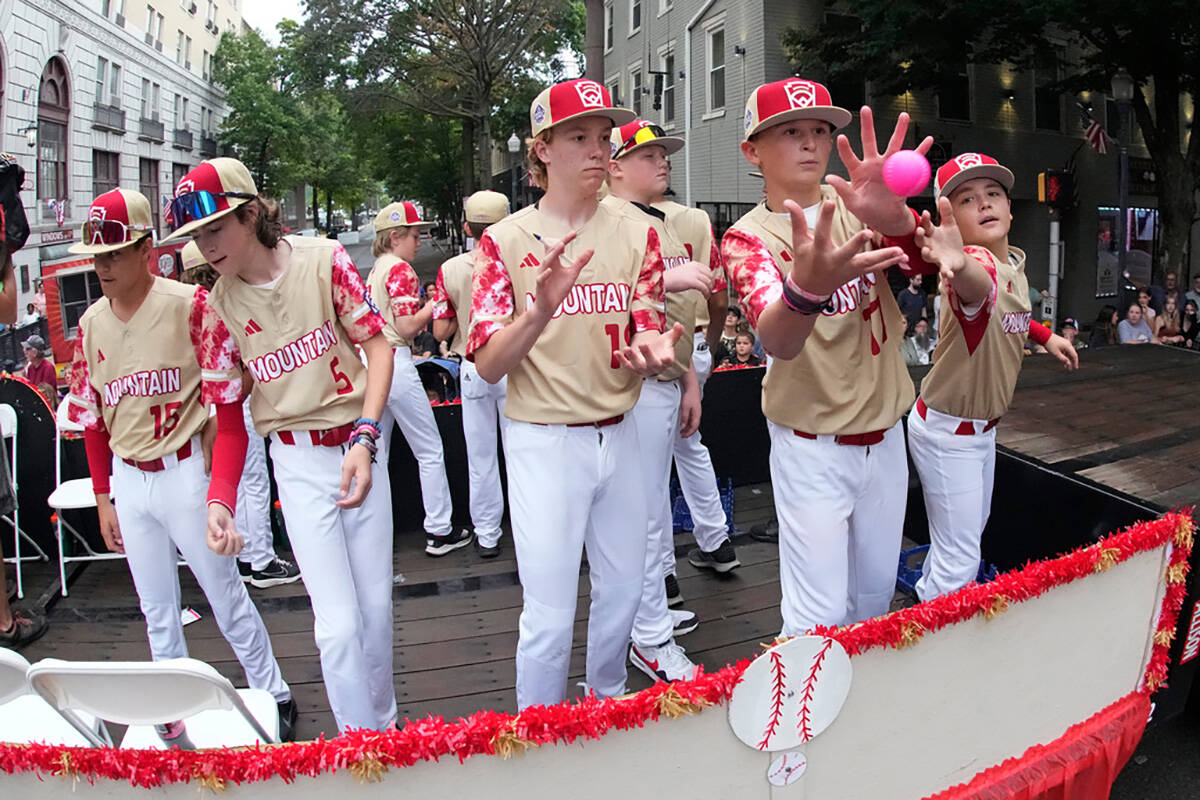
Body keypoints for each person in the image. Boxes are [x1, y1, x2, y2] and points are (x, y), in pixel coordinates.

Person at [467, 78, 683, 708]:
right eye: (579, 137)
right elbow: (486, 365)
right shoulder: (503, 241)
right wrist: (538, 310)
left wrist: (652, 353)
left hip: (621, 429)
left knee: (623, 591)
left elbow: (644, 321)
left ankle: (607, 703)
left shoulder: (637, 231)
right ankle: (538, 732)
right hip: (544, 439)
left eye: (604, 137)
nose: (598, 150)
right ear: (542, 149)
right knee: (551, 611)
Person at [170, 157, 396, 734]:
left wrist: (367, 438)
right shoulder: (215, 308)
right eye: (197, 235)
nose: (206, 245)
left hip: (359, 446)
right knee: (337, 624)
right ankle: (360, 743)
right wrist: (220, 500)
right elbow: (227, 416)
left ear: (250, 214)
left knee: (375, 614)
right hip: (295, 458)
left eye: (215, 227)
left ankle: (388, 732)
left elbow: (379, 347)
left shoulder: (323, 260)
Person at [65, 187, 294, 743]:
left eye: (114, 253)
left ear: (147, 249)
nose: (103, 265)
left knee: (224, 594)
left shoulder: (190, 305)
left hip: (186, 469)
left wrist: (218, 487)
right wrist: (101, 496)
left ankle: (272, 692)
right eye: (96, 255)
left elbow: (226, 400)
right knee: (155, 608)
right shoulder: (91, 322)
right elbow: (91, 419)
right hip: (130, 478)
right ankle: (172, 715)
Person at [723, 78, 933, 637]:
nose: (811, 142)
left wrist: (900, 222)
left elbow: (925, 273)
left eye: (820, 130)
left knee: (871, 603)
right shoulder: (747, 238)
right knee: (816, 618)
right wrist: (808, 289)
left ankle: (861, 719)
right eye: (791, 132)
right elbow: (781, 341)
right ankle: (801, 720)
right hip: (812, 447)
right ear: (753, 150)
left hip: (886, 435)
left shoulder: (856, 202)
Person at [906, 154, 1078, 602]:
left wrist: (1045, 335)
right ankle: (933, 646)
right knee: (960, 557)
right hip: (950, 431)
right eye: (967, 198)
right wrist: (957, 263)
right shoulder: (975, 263)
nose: (984, 203)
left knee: (961, 540)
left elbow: (1009, 309)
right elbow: (978, 286)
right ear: (952, 219)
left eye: (993, 193)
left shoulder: (1012, 262)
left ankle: (925, 597)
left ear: (1011, 207)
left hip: (977, 429)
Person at [603, 117, 710, 683]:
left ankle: (645, 619)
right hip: (632, 388)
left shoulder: (658, 222)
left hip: (666, 381)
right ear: (615, 165)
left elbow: (680, 320)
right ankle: (648, 637)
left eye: (665, 152)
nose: (663, 160)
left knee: (650, 514)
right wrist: (664, 283)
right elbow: (589, 299)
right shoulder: (608, 221)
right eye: (648, 154)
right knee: (640, 519)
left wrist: (689, 379)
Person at [177, 241, 301, 589]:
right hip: (232, 405)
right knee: (254, 482)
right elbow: (243, 371)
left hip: (201, 409)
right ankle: (260, 559)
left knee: (233, 485)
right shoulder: (223, 305)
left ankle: (245, 557)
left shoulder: (182, 308)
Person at [365, 201, 468, 556]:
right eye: (415, 234)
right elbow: (407, 326)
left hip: (373, 364)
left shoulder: (377, 269)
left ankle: (374, 534)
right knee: (430, 449)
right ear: (395, 236)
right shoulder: (400, 270)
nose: (420, 240)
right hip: (395, 361)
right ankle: (439, 531)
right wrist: (438, 302)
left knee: (376, 452)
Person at [652, 194, 739, 584]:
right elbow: (719, 298)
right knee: (689, 444)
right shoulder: (697, 220)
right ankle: (716, 541)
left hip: (646, 349)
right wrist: (711, 342)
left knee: (647, 465)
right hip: (696, 343)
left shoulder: (609, 217)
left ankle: (663, 577)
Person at [431, 190, 511, 559]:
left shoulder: (450, 270)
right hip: (513, 364)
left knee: (480, 458)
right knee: (522, 453)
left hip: (472, 364)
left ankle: (487, 533)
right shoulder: (516, 262)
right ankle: (529, 528)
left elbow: (440, 332)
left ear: (467, 227)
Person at [21, 334, 57, 398]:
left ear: (35, 352)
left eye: (27, 349)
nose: (24, 351)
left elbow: (46, 393)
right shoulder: (30, 368)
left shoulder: (48, 368)